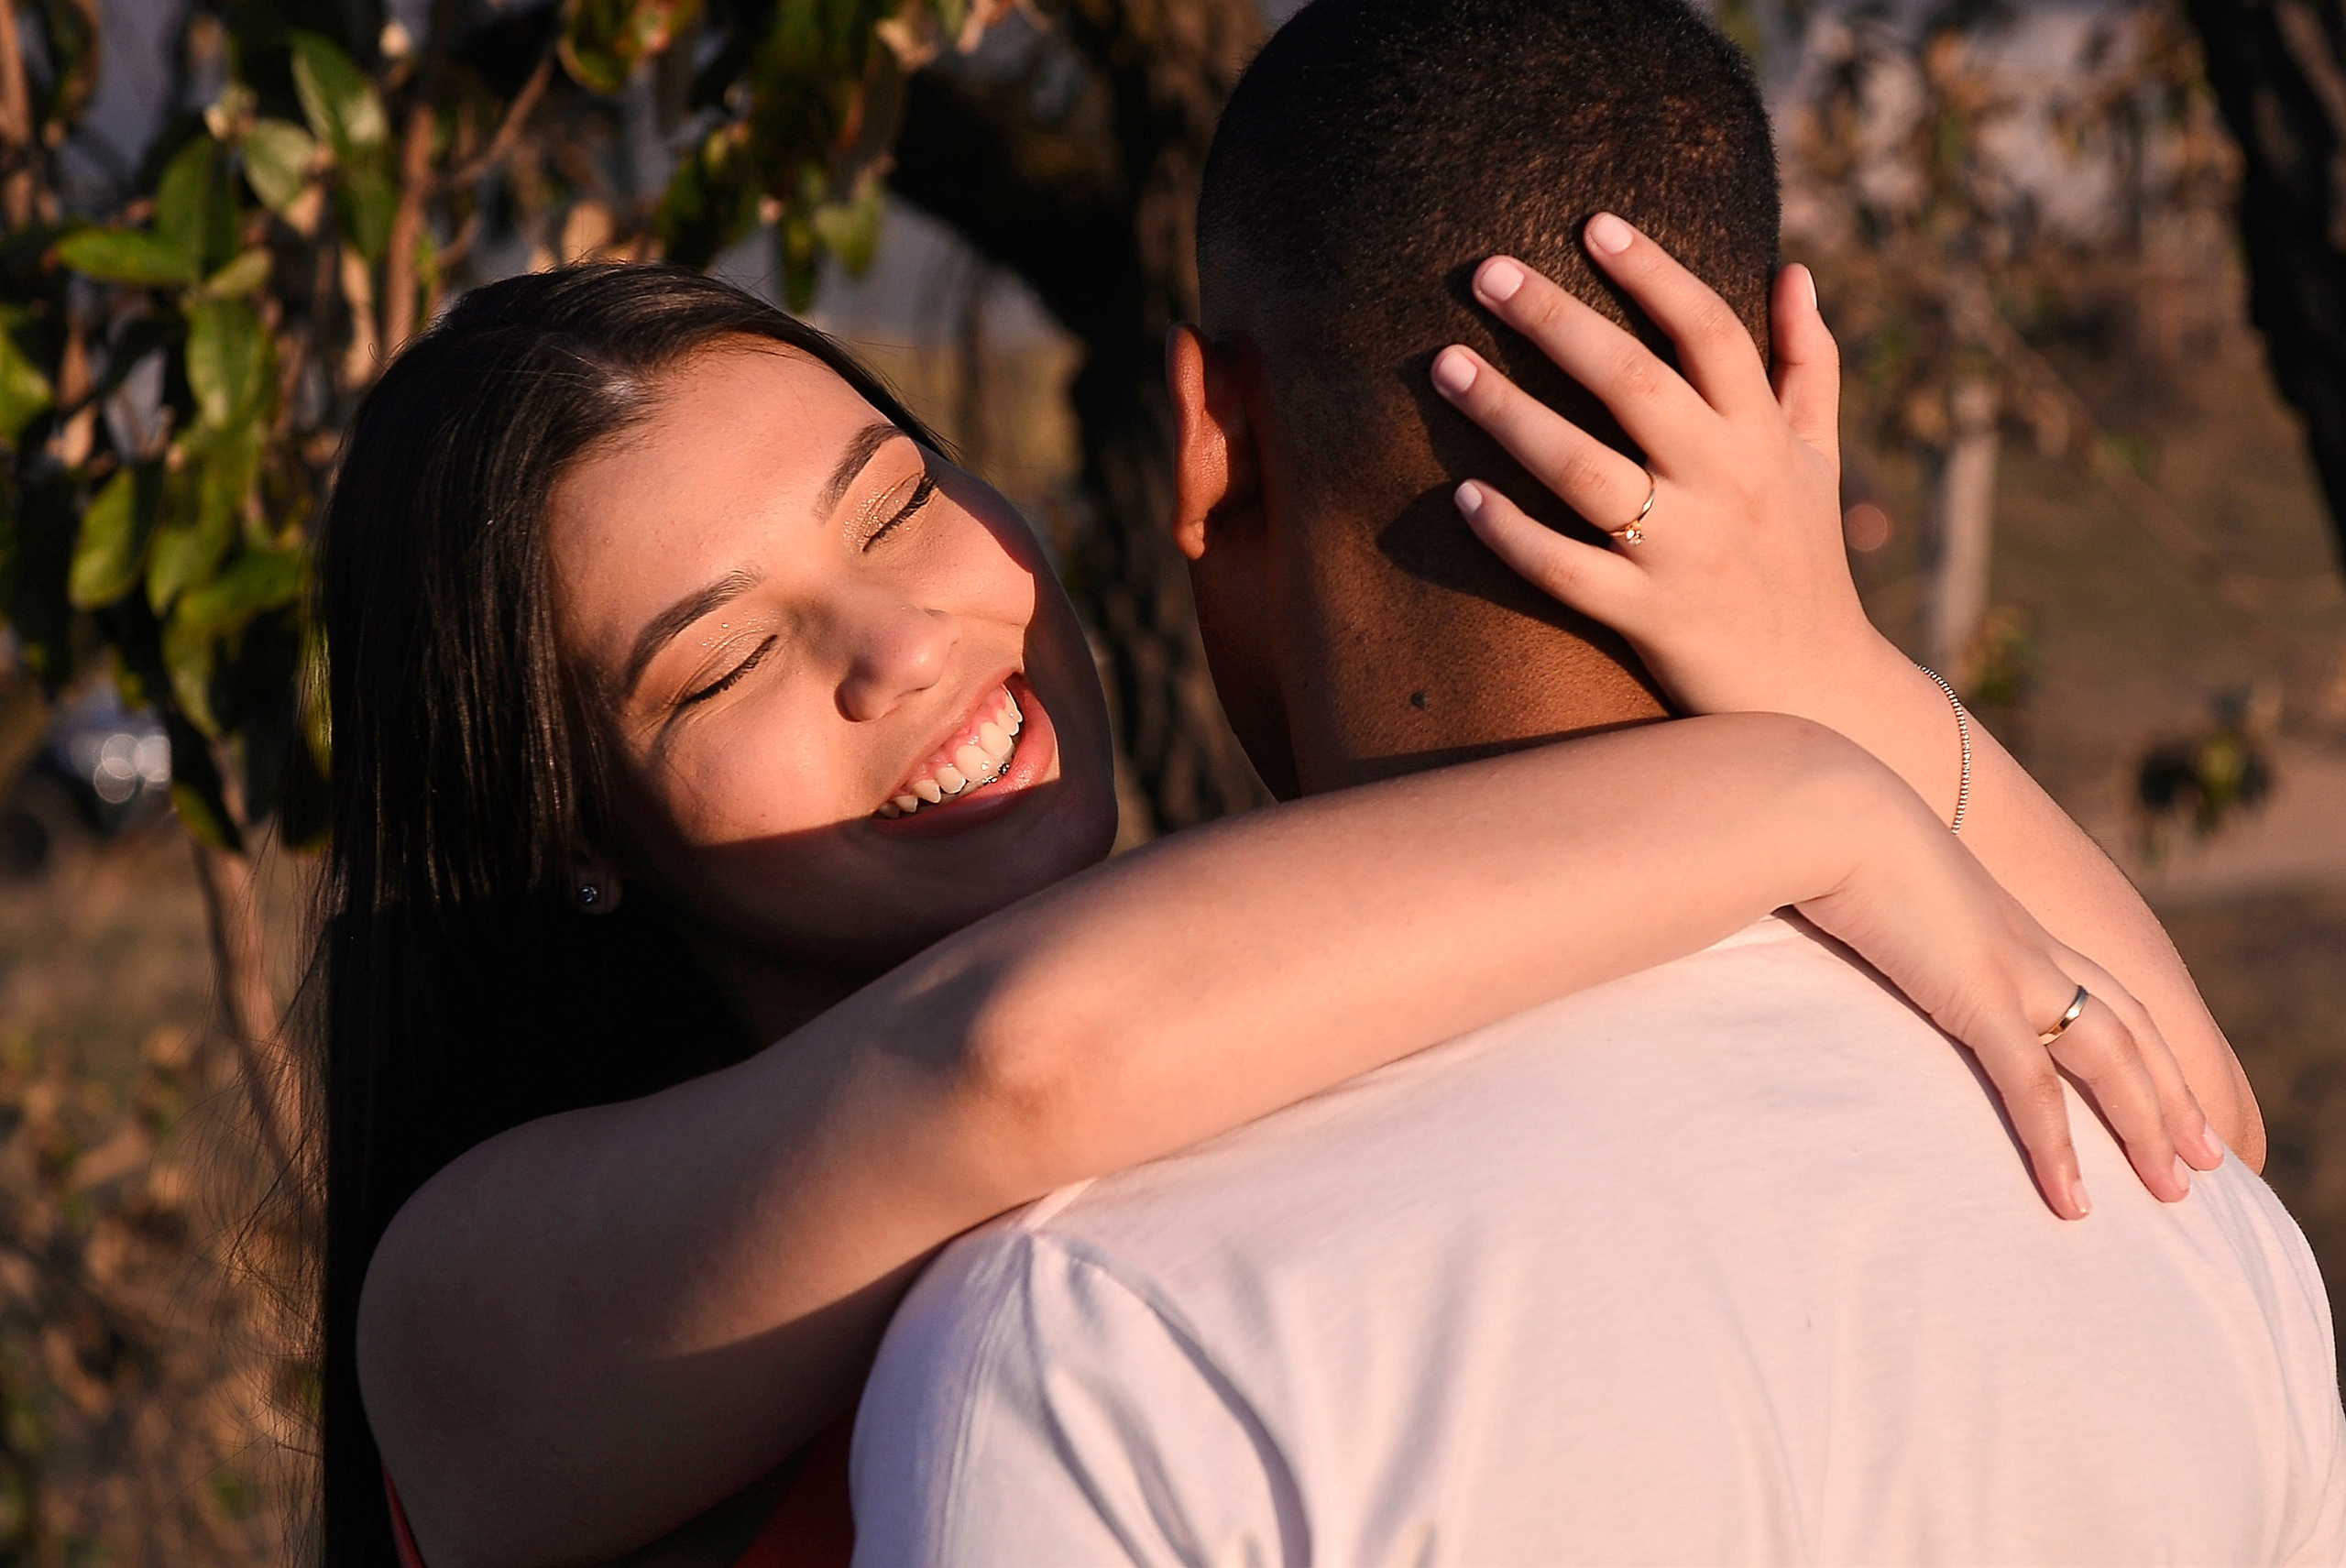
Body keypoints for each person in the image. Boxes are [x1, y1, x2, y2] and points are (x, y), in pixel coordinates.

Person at [327, 77, 2250, 1568]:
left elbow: (2184, 1120)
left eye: (896, 498)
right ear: (569, 824)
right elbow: (1006, 1058)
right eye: (723, 658)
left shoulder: (1236, 1007)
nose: (903, 639)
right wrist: (1802, 780)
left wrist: (1813, 653)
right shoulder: (464, 1307)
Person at [844, 0, 2346, 1561]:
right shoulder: (2188, 1226)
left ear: (1209, 438)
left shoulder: (1093, 1334)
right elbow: (2211, 1122)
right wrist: (1840, 678)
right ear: (1775, 406)